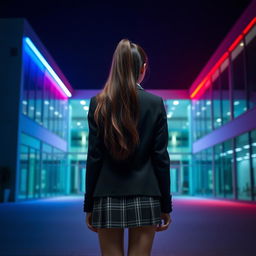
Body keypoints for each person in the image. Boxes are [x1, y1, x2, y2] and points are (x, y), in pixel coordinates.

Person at [83, 38, 173, 256]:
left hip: (106, 195)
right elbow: (160, 157)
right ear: (143, 69)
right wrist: (165, 204)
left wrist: (89, 204)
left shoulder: (99, 103)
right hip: (146, 194)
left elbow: (94, 157)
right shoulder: (155, 103)